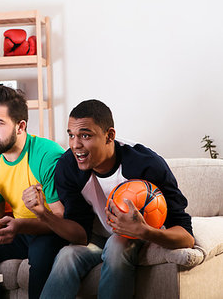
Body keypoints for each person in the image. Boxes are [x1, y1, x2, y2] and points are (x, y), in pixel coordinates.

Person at [25, 99, 195, 299]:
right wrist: (43, 214)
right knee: (66, 255)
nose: (75, 145)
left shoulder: (146, 165)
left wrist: (144, 231)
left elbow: (186, 237)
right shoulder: (68, 167)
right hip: (97, 238)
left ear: (109, 136)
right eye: (71, 135)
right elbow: (80, 235)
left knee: (117, 244)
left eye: (85, 135)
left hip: (139, 237)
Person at [0, 86, 68, 299]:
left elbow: (62, 219)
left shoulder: (47, 156)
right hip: (19, 231)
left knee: (40, 252)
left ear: (21, 126)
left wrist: (20, 225)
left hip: (52, 231)